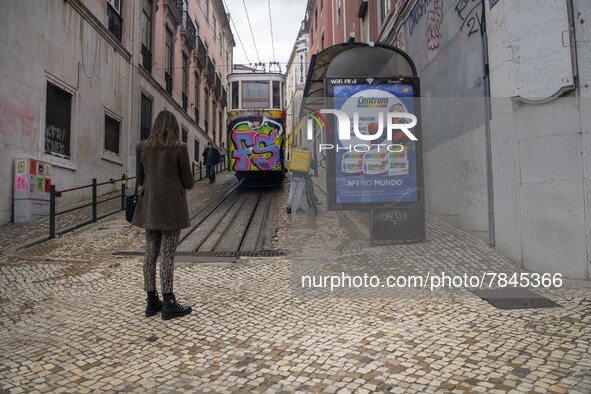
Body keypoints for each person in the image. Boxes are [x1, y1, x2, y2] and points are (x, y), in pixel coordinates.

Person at [131, 110, 194, 320]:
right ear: (174, 126)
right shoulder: (179, 148)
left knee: (151, 252)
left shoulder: (142, 148)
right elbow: (189, 183)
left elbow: (140, 180)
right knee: (167, 253)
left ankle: (151, 300)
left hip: (150, 208)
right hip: (172, 209)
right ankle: (168, 302)